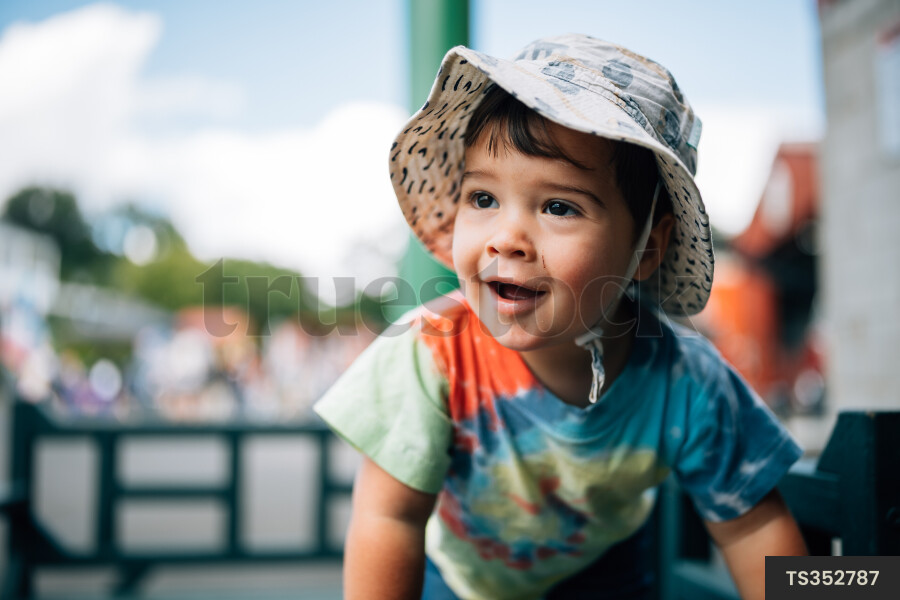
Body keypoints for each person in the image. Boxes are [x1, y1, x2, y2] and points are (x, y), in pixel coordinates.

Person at [314, 33, 807, 600]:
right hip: (459, 577)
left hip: (606, 570)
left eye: (558, 207)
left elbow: (756, 527)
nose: (508, 238)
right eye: (482, 198)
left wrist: (867, 583)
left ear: (646, 248)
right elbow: (388, 521)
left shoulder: (686, 380)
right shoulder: (432, 353)